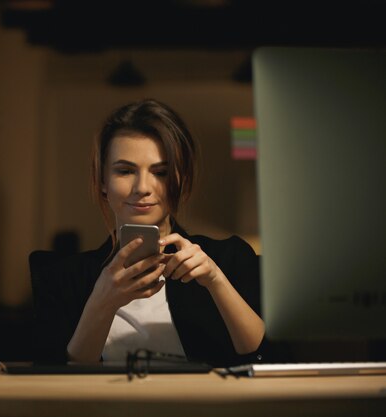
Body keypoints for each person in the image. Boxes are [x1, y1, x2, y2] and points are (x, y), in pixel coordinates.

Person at [31, 99, 266, 367]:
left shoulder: (228, 259)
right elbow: (54, 380)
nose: (142, 187)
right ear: (103, 181)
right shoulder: (62, 277)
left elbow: (264, 359)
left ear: (182, 179)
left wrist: (215, 280)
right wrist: (102, 300)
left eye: (160, 172)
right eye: (125, 171)